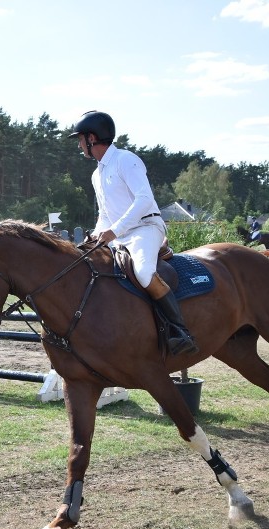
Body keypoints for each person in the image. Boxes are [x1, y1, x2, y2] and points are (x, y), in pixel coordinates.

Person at [68, 110, 198, 356]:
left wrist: (114, 231)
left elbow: (144, 200)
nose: (79, 144)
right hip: (120, 234)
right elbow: (106, 213)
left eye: (80, 139)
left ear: (92, 138)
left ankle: (180, 332)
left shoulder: (126, 160)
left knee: (144, 273)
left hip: (146, 228)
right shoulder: (97, 174)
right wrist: (97, 235)